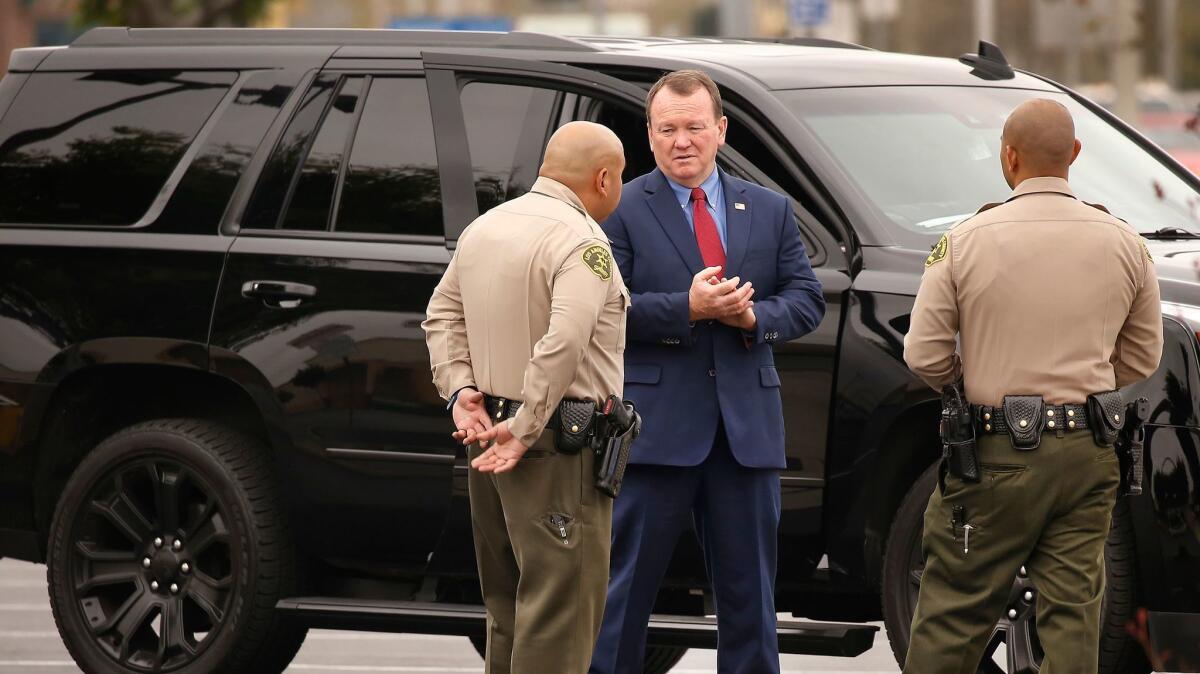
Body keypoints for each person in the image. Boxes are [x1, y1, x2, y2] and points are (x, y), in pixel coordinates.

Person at [903, 98, 1163, 674]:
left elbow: (923, 354)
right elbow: (1144, 354)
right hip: (1086, 454)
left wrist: (971, 381)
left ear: (1008, 157)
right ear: (1074, 155)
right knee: (1073, 614)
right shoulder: (1126, 243)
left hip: (995, 457)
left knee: (954, 610)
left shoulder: (964, 240)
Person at [590, 69, 826, 674]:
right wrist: (685, 309)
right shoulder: (620, 209)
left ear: (720, 130)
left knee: (751, 602)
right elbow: (602, 309)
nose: (681, 141)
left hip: (745, 434)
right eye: (667, 129)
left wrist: (754, 319)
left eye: (694, 127)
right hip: (656, 432)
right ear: (649, 135)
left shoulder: (769, 209)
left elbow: (806, 298)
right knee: (624, 596)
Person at [422, 121, 628, 674]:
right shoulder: (582, 241)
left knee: (508, 610)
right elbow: (566, 338)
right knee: (559, 616)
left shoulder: (486, 227)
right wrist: (528, 424)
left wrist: (462, 391)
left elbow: (441, 314)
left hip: (488, 433)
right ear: (604, 178)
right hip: (556, 448)